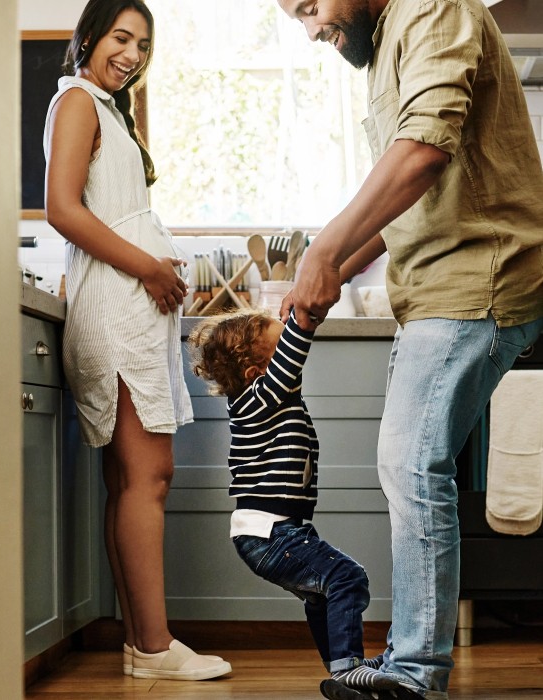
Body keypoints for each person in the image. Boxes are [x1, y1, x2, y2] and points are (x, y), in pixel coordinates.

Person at [275, 1, 543, 700]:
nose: (311, 29)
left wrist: (327, 248)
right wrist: (329, 268)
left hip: (476, 277)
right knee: (408, 465)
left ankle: (414, 677)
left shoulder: (432, 6)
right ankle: (408, 666)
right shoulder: (390, 34)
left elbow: (422, 150)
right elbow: (406, 199)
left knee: (407, 461)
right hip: (432, 288)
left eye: (309, 6)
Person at [43, 0, 232, 681]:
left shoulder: (107, 108)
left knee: (131, 478)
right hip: (119, 311)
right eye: (121, 37)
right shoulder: (78, 103)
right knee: (149, 477)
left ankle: (142, 645)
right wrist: (148, 265)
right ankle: (153, 648)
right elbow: (61, 208)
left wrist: (159, 264)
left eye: (144, 45)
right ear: (89, 36)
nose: (132, 54)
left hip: (125, 306)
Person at [188, 307, 392, 693]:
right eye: (280, 349)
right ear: (257, 374)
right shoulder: (255, 400)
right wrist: (305, 321)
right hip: (270, 533)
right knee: (347, 577)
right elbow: (291, 358)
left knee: (321, 595)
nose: (291, 359)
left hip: (279, 531)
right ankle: (348, 667)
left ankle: (342, 671)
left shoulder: (269, 402)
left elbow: (285, 365)